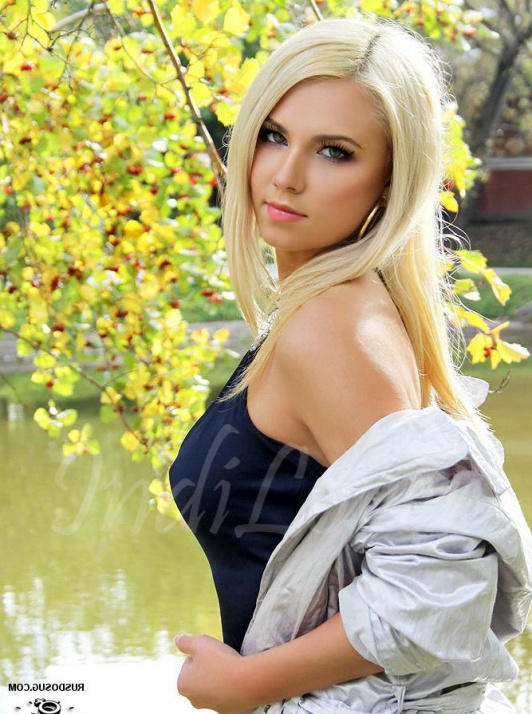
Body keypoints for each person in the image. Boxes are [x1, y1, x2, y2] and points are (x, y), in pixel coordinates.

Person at [169, 14, 532, 714]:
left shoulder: (332, 326)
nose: (285, 175)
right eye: (273, 135)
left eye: (334, 152)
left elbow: (437, 583)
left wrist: (249, 684)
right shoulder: (325, 310)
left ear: (390, 183)